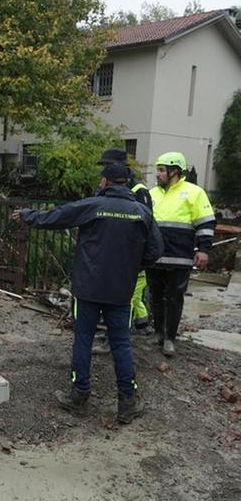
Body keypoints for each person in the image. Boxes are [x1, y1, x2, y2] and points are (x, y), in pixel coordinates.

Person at [12, 163, 162, 423]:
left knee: (83, 339)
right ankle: (127, 402)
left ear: (105, 181)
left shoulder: (92, 206)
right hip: (120, 291)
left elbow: (56, 217)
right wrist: (131, 266)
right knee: (121, 343)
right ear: (127, 182)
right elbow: (155, 252)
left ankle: (79, 395)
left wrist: (27, 215)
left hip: (87, 289)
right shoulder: (141, 212)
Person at [147, 152, 216, 358]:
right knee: (156, 297)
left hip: (179, 256)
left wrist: (203, 250)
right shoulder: (152, 194)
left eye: (161, 170)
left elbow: (205, 223)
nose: (157, 174)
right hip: (154, 256)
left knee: (174, 298)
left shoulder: (194, 192)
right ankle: (158, 333)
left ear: (174, 171)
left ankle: (170, 338)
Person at [97, 148, 153, 335]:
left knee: (126, 300)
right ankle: (113, 336)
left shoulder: (139, 191)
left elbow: (145, 227)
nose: (104, 170)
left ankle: (117, 338)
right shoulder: (105, 189)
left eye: (107, 165)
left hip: (128, 257)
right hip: (110, 255)